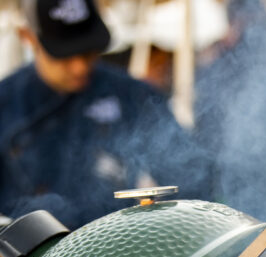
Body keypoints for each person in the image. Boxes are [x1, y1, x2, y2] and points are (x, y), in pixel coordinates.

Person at [0, 0, 212, 229]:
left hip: (115, 247)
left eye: (87, 52)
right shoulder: (5, 104)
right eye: (64, 55)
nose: (80, 67)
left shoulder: (132, 95)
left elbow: (190, 173)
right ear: (27, 37)